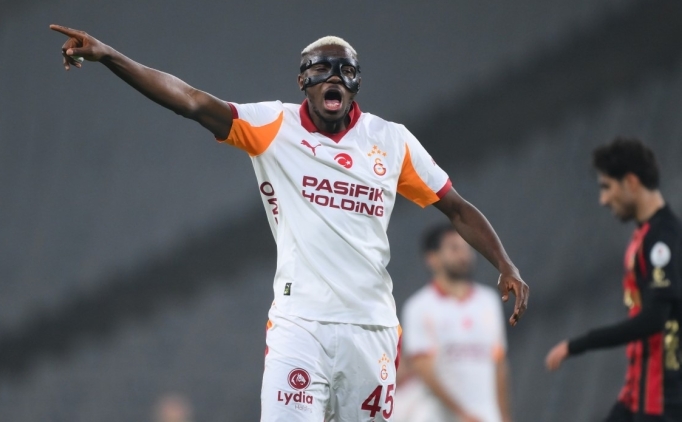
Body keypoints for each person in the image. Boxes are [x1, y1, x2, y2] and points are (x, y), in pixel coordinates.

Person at [50, 25, 529, 421]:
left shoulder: (392, 141)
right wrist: (109, 56)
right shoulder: (273, 127)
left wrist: (504, 263)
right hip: (300, 325)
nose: (333, 77)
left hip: (371, 329)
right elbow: (191, 101)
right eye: (321, 69)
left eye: (345, 70)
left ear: (356, 83)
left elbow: (456, 208)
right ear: (302, 80)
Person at [545, 138, 682, 421]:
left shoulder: (662, 240)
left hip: (663, 398)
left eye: (607, 187)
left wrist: (579, 344)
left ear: (630, 182)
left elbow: (655, 318)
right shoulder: (646, 234)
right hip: (638, 390)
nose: (603, 199)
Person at [396, 224, 512, 422]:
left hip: (487, 416)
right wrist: (462, 414)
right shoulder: (419, 307)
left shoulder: (488, 301)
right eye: (454, 248)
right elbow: (424, 369)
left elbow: (499, 364)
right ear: (432, 258)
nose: (463, 254)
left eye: (466, 248)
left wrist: (504, 416)